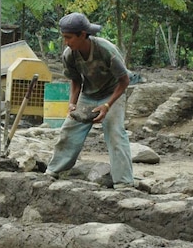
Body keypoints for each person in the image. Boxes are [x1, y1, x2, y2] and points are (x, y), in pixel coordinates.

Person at [45, 12, 134, 189]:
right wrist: (72, 104)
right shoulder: (69, 55)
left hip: (112, 93)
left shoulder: (106, 50)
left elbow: (124, 81)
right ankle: (54, 171)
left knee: (115, 132)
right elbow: (76, 80)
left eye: (69, 37)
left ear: (83, 35)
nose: (66, 42)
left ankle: (124, 183)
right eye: (64, 37)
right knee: (69, 130)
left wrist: (107, 105)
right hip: (89, 94)